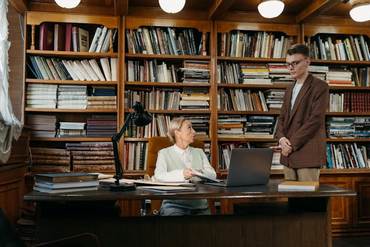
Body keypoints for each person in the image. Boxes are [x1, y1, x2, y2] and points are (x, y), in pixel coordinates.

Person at [275, 44, 329, 181]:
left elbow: (315, 120)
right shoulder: (289, 88)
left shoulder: (320, 86)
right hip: (288, 155)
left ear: (307, 61)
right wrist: (281, 139)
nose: (290, 68)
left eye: (295, 63)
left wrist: (290, 145)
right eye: (288, 64)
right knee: (292, 200)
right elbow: (281, 118)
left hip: (307, 154)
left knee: (308, 201)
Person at [154, 117, 216, 216]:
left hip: (199, 205)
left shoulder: (199, 152)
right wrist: (182, 174)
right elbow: (159, 176)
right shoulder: (164, 153)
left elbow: (213, 175)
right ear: (177, 132)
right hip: (173, 205)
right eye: (189, 128)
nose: (194, 132)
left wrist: (197, 172)